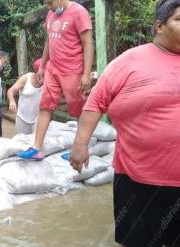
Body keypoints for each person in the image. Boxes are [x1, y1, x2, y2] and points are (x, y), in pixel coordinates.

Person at [70, 1, 180, 246]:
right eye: (179, 20)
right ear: (159, 26)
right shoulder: (130, 61)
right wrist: (80, 144)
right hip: (137, 183)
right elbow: (96, 101)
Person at [17, 0, 93, 160]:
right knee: (45, 105)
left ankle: (80, 149)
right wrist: (42, 66)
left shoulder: (79, 12)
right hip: (53, 69)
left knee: (78, 110)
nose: (49, 7)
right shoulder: (51, 14)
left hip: (72, 69)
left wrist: (86, 74)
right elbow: (48, 41)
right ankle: (37, 148)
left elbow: (88, 44)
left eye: (50, 3)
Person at [7, 58, 44, 134]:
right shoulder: (26, 78)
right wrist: (12, 101)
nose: (43, 77)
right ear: (36, 71)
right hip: (22, 118)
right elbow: (11, 91)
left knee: (35, 142)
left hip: (37, 118)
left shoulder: (48, 81)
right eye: (42, 74)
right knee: (22, 141)